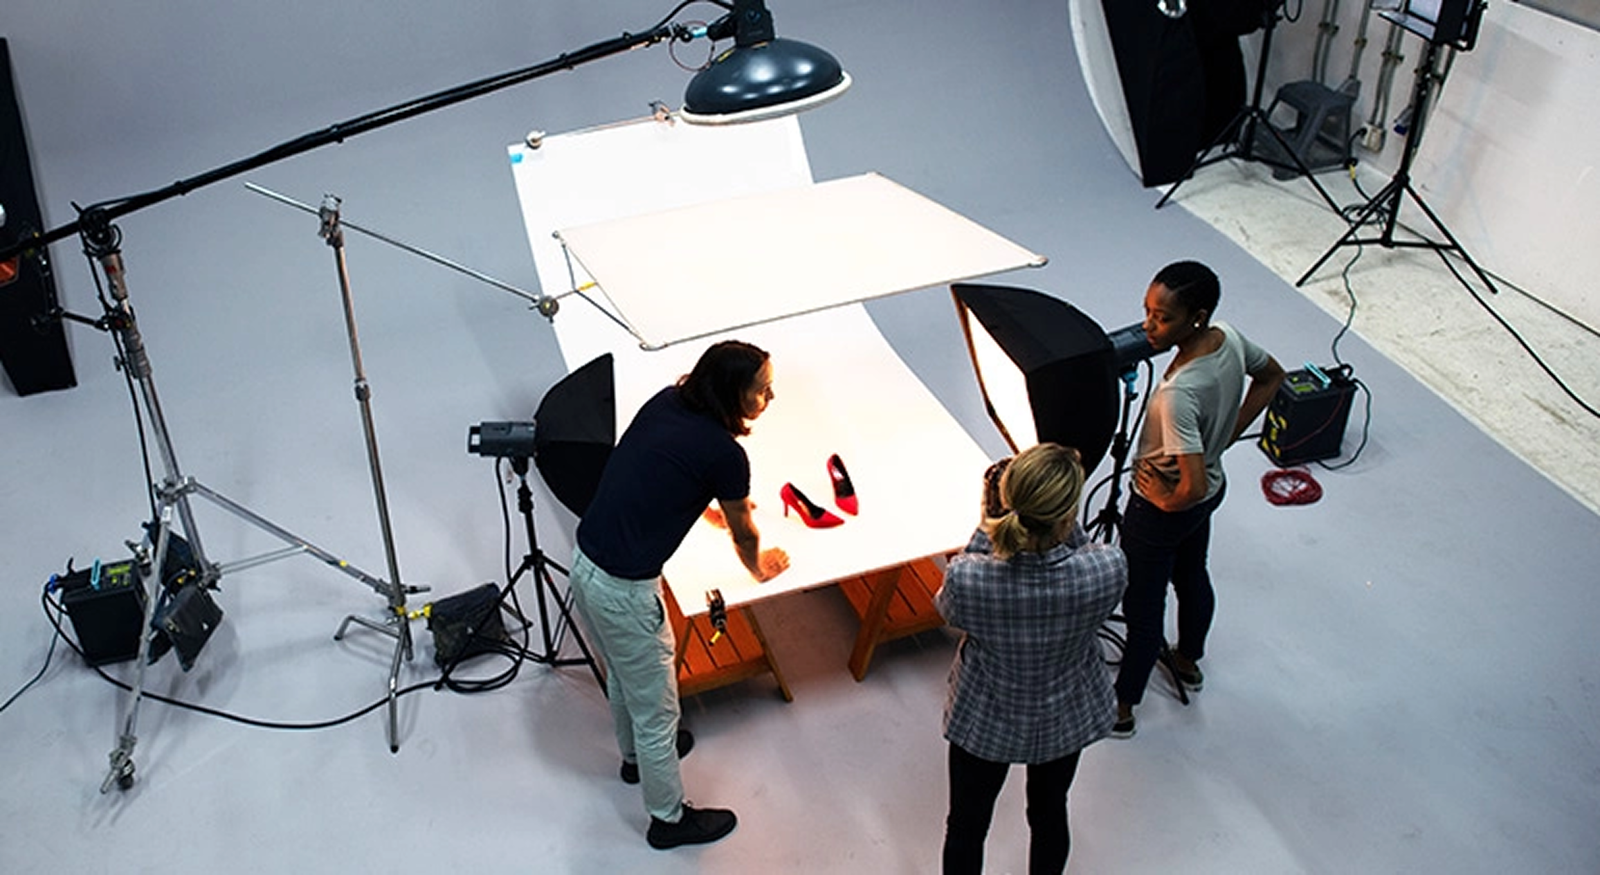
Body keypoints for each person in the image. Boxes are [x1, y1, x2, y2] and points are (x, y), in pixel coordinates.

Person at [568, 339, 790, 850]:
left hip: (585, 564)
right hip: (625, 592)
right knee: (659, 715)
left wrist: (700, 503)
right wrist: (760, 568)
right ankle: (668, 820)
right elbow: (745, 535)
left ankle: (634, 761)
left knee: (623, 674)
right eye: (762, 390)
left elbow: (651, 468)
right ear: (732, 392)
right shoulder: (726, 455)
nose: (770, 398)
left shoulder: (668, 402)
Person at [936, 443, 1127, 874]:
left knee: (966, 826)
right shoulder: (1108, 568)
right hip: (1064, 718)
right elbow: (1076, 549)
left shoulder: (969, 577)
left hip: (985, 720)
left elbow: (948, 609)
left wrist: (987, 524)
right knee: (1049, 812)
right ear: (1068, 514)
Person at [1112, 260, 1285, 737]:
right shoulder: (1228, 337)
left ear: (1197, 317)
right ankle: (1188, 660)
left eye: (1163, 318)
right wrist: (1224, 439)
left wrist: (1163, 503)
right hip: (1212, 488)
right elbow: (1272, 376)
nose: (1148, 326)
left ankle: (1122, 708)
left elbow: (1190, 488)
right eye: (1147, 311)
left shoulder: (1179, 394)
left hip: (1163, 509)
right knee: (1192, 574)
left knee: (1143, 608)